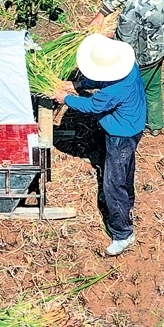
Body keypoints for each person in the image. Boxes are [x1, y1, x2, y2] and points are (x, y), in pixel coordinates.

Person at [53, 35, 146, 256]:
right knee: (125, 170)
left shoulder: (116, 90)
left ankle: (123, 233)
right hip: (132, 126)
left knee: (113, 183)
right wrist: (77, 84)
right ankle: (127, 202)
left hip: (121, 135)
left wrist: (64, 98)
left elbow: (92, 105)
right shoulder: (127, 67)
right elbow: (100, 80)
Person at [88, 0, 164, 136]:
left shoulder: (133, 9)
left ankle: (133, 127)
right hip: (161, 47)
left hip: (143, 56)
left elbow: (123, 43)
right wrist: (102, 13)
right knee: (153, 86)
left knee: (134, 92)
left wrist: (104, 37)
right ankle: (156, 123)